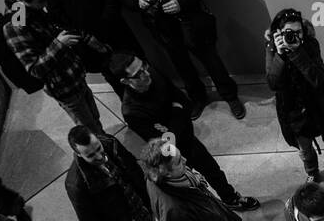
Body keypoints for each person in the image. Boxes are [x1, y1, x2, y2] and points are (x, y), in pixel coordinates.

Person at [109, 55, 258, 211]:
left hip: (188, 139)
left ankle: (230, 198)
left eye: (144, 66)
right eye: (137, 74)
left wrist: (171, 124)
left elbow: (185, 103)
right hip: (172, 158)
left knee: (213, 170)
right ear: (125, 81)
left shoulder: (154, 74)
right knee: (192, 188)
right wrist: (176, 111)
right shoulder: (132, 111)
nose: (146, 73)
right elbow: (165, 144)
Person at [111, 0, 244, 118]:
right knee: (181, 63)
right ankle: (197, 98)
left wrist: (180, 1)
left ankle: (230, 95)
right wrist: (137, 0)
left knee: (210, 58)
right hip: (159, 25)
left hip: (190, 18)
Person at [6, 0, 107, 133]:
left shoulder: (36, 9)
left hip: (76, 75)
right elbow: (34, 69)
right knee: (91, 130)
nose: (45, 4)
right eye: (41, 1)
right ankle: (104, 151)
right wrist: (59, 45)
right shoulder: (15, 26)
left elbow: (62, 26)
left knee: (95, 118)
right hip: (64, 88)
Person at [266, 8, 324, 190]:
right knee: (304, 150)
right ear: (278, 33)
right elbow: (273, 83)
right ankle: (312, 173)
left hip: (321, 104)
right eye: (289, 32)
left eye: (298, 32)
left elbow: (318, 79)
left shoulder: (310, 45)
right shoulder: (273, 48)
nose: (294, 36)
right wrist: (280, 56)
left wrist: (297, 52)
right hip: (294, 112)